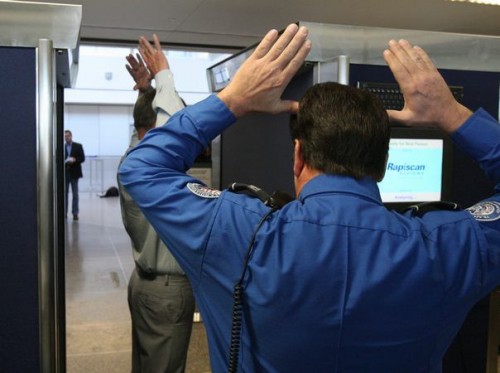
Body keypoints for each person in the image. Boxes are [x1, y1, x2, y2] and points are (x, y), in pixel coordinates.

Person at [119, 23, 500, 373]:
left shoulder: (233, 232)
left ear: (298, 156)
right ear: (383, 165)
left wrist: (233, 99)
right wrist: (453, 114)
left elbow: (142, 169)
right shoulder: (451, 246)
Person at [118, 35, 195, 373]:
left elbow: (147, 128)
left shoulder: (133, 161)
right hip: (166, 290)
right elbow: (174, 129)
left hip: (145, 285)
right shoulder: (152, 167)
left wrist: (144, 91)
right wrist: (164, 77)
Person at [64, 130, 85, 221]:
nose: (66, 138)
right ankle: (64, 213)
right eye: (65, 136)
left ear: (71, 136)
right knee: (64, 194)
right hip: (65, 173)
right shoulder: (62, 147)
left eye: (68, 136)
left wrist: (75, 159)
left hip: (74, 173)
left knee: (75, 194)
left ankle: (75, 213)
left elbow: (82, 158)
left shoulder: (78, 146)